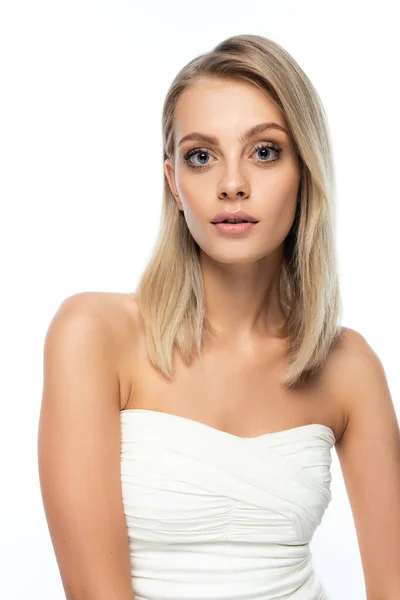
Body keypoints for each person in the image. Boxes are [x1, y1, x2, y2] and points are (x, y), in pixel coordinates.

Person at [38, 34, 400, 600]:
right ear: (174, 185)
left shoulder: (349, 366)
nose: (231, 184)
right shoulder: (93, 335)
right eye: (201, 156)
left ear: (305, 171)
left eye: (264, 151)